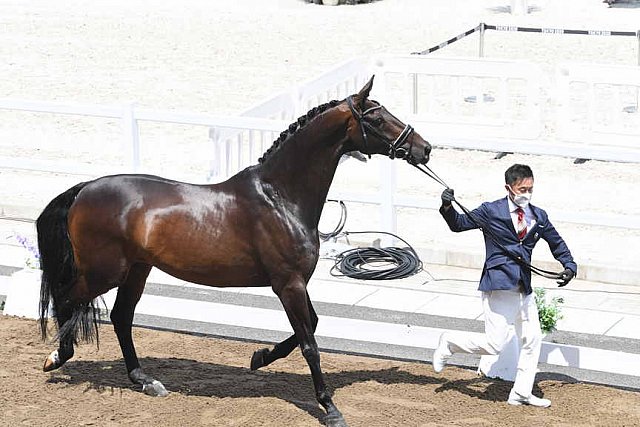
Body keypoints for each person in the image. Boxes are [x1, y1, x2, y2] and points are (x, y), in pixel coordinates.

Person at [433, 163, 576, 408]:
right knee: (494, 345)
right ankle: (449, 342)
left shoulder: (538, 216)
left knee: (532, 340)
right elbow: (458, 224)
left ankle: (521, 393)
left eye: (530, 189)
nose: (527, 194)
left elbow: (556, 241)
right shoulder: (491, 211)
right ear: (508, 188)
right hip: (499, 284)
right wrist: (447, 206)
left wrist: (569, 265)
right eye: (522, 189)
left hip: (524, 288)